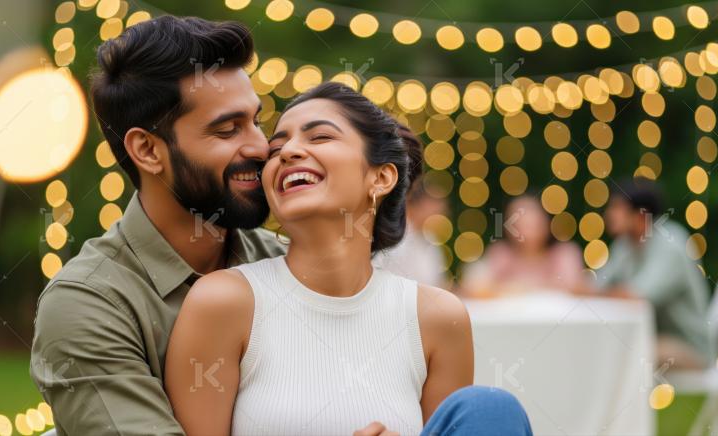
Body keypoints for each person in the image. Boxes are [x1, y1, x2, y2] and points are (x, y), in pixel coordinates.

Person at [164, 82, 533, 435]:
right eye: (277, 149)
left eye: (320, 136)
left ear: (382, 177)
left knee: (490, 409)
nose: (288, 152)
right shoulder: (224, 302)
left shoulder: (437, 317)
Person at [29, 16, 284, 434]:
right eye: (227, 129)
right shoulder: (88, 305)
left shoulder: (287, 263)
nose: (261, 146)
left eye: (256, 120)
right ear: (147, 150)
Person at [595, 178, 715, 369]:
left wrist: (596, 294)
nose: (609, 215)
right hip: (650, 338)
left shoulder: (670, 245)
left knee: (627, 353)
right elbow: (597, 286)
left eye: (617, 208)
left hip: (690, 347)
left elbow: (635, 298)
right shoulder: (625, 245)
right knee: (612, 349)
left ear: (641, 215)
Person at [460, 195, 585, 297]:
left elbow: (577, 287)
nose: (527, 229)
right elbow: (475, 286)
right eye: (519, 222)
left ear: (546, 222)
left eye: (533, 223)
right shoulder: (502, 253)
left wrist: (517, 287)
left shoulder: (564, 253)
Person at [373, 128, 449, 288]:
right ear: (418, 205)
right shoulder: (394, 238)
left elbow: (437, 284)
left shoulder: (431, 240)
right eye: (435, 209)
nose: (441, 215)